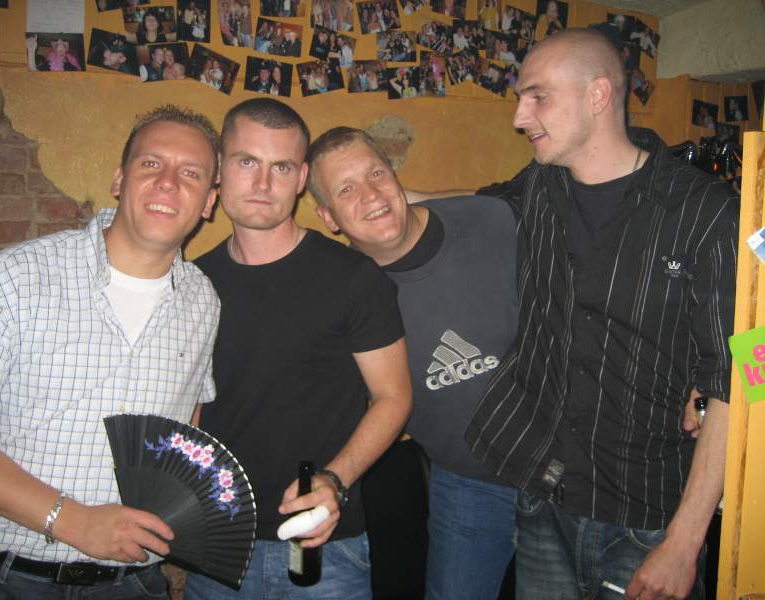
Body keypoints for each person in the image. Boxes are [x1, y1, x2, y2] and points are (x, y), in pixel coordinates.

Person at [464, 28, 738, 600]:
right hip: (543, 498)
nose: (519, 117)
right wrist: (373, 202)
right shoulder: (538, 187)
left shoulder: (709, 212)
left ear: (598, 95)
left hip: (648, 522)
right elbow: (454, 216)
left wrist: (684, 544)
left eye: (537, 97)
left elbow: (741, 379)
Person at [0, 105, 221, 599]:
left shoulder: (202, 300)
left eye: (191, 173)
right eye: (151, 164)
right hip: (5, 578)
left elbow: (188, 418)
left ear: (209, 201)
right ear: (120, 179)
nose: (168, 182)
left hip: (134, 583)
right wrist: (73, 520)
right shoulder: (16, 277)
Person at [183, 98, 412, 600]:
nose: (263, 183)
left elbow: (394, 397)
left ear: (302, 177)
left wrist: (336, 480)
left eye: (281, 167)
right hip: (218, 544)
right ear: (220, 167)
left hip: (324, 547)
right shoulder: (193, 283)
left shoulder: (354, 278)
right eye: (247, 162)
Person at [308, 127, 519, 600]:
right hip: (467, 486)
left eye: (376, 174)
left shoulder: (489, 221)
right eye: (346, 190)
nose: (370, 195)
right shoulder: (343, 292)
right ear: (328, 217)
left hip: (563, 468)